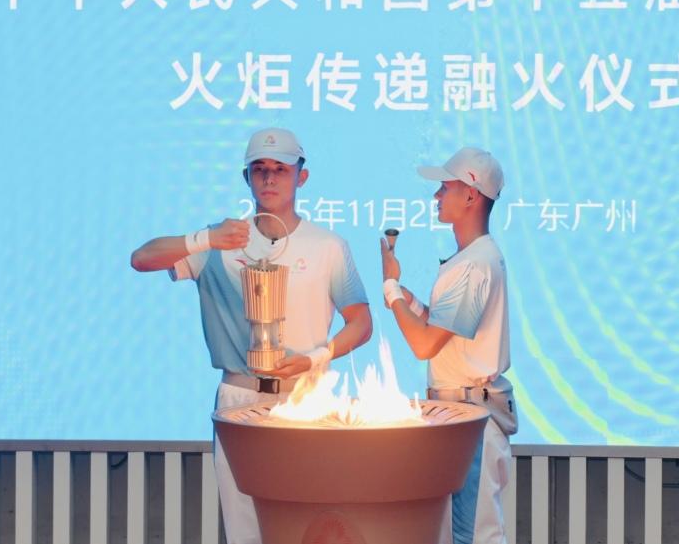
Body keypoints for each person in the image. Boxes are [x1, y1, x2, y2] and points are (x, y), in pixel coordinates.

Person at [131, 127, 372, 544]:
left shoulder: (328, 246)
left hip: (305, 398)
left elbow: (362, 323)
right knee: (245, 529)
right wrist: (204, 238)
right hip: (240, 399)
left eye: (280, 169)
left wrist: (315, 357)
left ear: (302, 176)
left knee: (309, 525)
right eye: (259, 169)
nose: (269, 178)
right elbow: (141, 259)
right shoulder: (222, 239)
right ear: (246, 177)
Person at [380, 146, 517, 544]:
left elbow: (424, 345)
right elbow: (443, 332)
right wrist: (409, 300)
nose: (436, 196)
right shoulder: (472, 258)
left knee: (472, 536)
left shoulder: (475, 263)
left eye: (445, 187)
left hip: (471, 419)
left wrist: (390, 288)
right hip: (462, 416)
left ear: (471, 195)